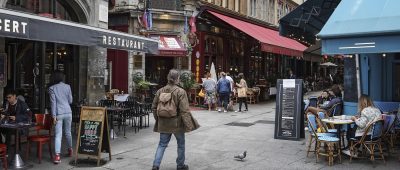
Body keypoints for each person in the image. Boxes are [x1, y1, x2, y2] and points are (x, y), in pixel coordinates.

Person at [151, 69, 199, 170]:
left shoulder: (160, 91)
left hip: (163, 123)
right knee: (181, 144)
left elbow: (154, 107)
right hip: (177, 124)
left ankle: (156, 165)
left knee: (162, 144)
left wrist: (158, 119)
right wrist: (188, 125)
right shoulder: (180, 92)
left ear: (168, 78)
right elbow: (184, 110)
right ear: (177, 79)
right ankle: (180, 165)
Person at [48, 70, 73, 164]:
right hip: (68, 112)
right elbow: (70, 100)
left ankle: (57, 156)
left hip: (59, 113)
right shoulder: (67, 87)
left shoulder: (52, 88)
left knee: (58, 134)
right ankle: (70, 149)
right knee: (68, 132)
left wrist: (53, 116)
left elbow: (53, 104)